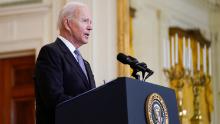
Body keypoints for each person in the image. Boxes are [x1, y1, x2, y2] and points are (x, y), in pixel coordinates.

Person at [34, 2, 96, 124]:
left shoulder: (85, 64)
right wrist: (89, 107)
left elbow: (92, 98)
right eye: (85, 21)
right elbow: (54, 99)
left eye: (91, 22)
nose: (90, 27)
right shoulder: (51, 53)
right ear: (67, 23)